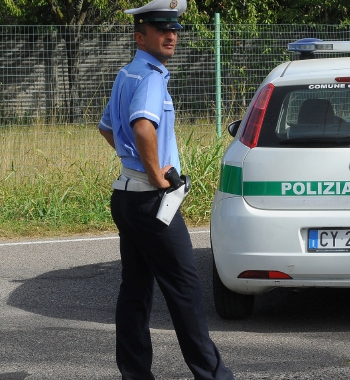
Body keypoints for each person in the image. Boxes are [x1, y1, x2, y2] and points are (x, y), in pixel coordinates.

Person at [97, 0, 234, 379]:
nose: (171, 35)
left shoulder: (128, 74)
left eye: (174, 29)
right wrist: (157, 175)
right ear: (140, 36)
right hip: (150, 198)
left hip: (126, 194)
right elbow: (142, 127)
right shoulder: (152, 77)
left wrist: (137, 164)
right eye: (161, 29)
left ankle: (135, 374)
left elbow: (107, 127)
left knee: (136, 291)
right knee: (186, 292)